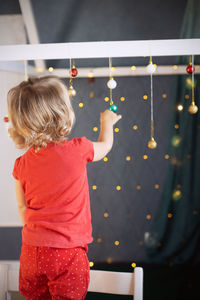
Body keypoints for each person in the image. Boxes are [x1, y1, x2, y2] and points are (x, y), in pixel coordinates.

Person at [7, 75, 122, 299]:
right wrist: (106, 122)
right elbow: (106, 146)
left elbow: (23, 209)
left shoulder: (21, 165)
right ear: (62, 114)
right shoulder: (78, 149)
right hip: (66, 252)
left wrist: (40, 236)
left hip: (31, 251)